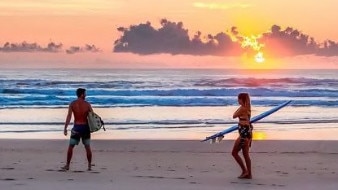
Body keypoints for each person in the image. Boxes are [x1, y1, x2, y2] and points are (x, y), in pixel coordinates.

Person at [62, 88, 93, 171]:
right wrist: (94, 127)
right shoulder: (87, 104)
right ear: (82, 94)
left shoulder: (72, 104)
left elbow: (69, 117)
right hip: (85, 128)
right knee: (87, 147)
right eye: (85, 94)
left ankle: (67, 165)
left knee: (71, 147)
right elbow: (92, 117)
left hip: (77, 128)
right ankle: (89, 166)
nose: (86, 95)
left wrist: (65, 128)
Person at [231, 92, 253, 179]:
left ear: (242, 99)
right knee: (245, 154)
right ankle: (249, 174)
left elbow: (234, 115)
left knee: (234, 153)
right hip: (247, 132)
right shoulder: (247, 107)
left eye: (239, 99)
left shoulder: (243, 108)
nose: (237, 100)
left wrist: (240, 106)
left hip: (244, 133)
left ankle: (245, 171)